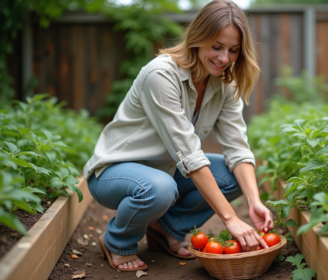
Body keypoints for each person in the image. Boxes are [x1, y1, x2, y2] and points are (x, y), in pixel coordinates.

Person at [83, 0, 274, 272]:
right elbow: (189, 155)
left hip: (166, 171)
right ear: (197, 39)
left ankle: (167, 230)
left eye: (233, 50)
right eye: (216, 47)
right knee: (159, 188)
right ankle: (117, 242)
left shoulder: (224, 83)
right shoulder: (161, 75)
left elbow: (238, 149)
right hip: (114, 172)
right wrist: (229, 218)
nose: (224, 58)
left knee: (232, 176)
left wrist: (254, 202)